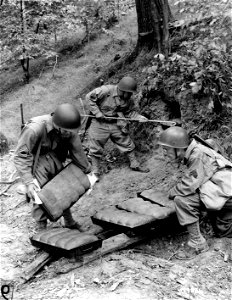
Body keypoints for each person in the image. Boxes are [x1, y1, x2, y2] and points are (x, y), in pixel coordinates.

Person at [14, 103, 92, 231]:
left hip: (54, 156)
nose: (70, 134)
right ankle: (41, 228)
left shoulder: (68, 128)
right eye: (67, 131)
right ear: (57, 125)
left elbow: (77, 151)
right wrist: (28, 181)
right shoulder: (35, 128)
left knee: (64, 188)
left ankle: (69, 221)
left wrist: (88, 173)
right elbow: (20, 155)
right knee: (42, 193)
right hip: (36, 159)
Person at [158, 126, 232, 260]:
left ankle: (197, 244)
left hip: (227, 194)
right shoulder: (198, 148)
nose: (165, 153)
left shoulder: (198, 154)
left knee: (182, 200)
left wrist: (171, 193)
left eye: (166, 149)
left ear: (178, 148)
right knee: (223, 233)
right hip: (227, 191)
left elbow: (188, 185)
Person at [85, 76, 150, 177]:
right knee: (95, 146)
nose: (130, 95)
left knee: (126, 142)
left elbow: (128, 113)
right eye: (128, 92)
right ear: (122, 90)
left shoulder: (128, 100)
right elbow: (89, 98)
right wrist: (97, 112)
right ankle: (95, 172)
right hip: (99, 123)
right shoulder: (105, 91)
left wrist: (138, 117)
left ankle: (135, 164)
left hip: (115, 122)